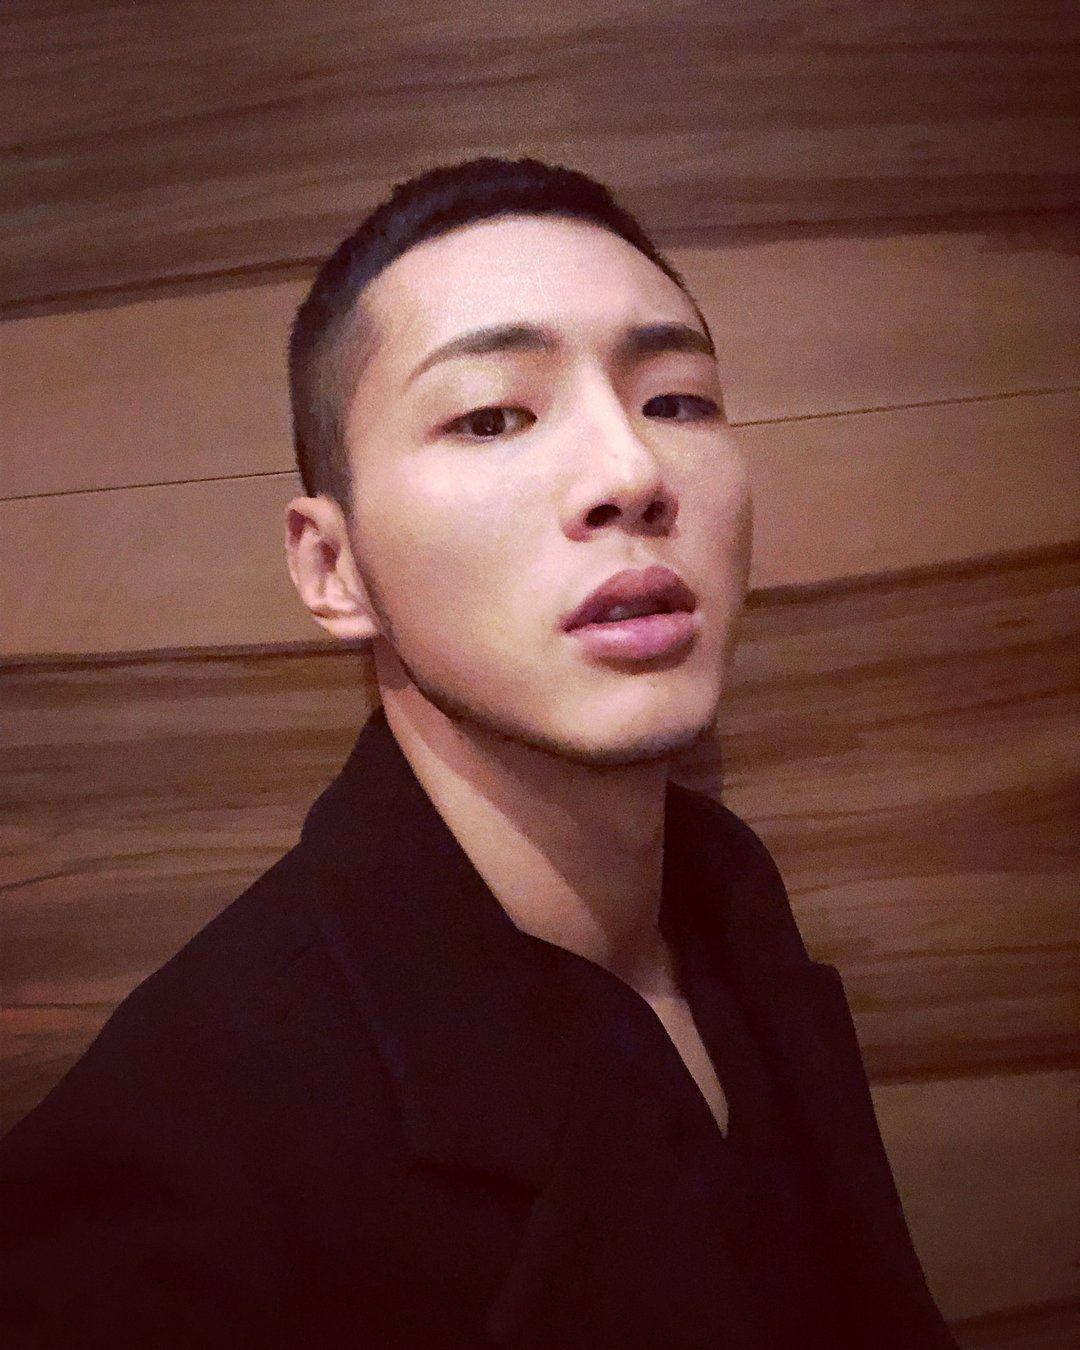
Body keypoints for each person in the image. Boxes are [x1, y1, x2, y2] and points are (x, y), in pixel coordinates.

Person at [0, 158, 956, 1348]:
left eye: (676, 401)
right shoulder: (181, 1168)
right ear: (333, 568)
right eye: (492, 416)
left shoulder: (729, 896)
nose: (630, 475)